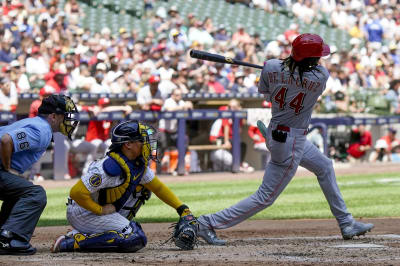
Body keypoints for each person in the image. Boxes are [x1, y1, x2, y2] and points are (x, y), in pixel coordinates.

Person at [197, 33, 374, 245]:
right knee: (265, 197)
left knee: (324, 166)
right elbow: (299, 74)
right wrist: (287, 74)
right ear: (312, 59)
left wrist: (280, 72)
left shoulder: (270, 66)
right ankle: (206, 223)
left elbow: (266, 94)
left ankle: (346, 222)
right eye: (318, 56)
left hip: (277, 132)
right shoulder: (320, 77)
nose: (321, 59)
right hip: (291, 140)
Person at [51, 120, 198, 252]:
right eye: (142, 140)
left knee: (143, 189)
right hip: (82, 212)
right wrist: (100, 210)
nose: (147, 143)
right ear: (128, 144)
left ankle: (86, 233)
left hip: (93, 210)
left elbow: (158, 188)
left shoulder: (137, 164)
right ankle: (73, 242)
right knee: (135, 237)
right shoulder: (109, 168)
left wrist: (182, 209)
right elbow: (76, 192)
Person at [0, 94, 79, 255]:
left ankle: (3, 233)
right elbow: (6, 140)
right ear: (54, 116)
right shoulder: (42, 129)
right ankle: (10, 239)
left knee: (18, 192)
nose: (68, 121)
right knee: (35, 193)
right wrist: (8, 168)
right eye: (65, 116)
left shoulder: (34, 123)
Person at [209, 99, 254, 172]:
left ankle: (240, 164)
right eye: (229, 106)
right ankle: (239, 165)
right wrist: (226, 141)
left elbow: (242, 125)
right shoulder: (224, 109)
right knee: (234, 146)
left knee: (242, 144)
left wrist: (240, 112)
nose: (231, 108)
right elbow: (226, 127)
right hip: (220, 139)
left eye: (233, 107)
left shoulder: (237, 113)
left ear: (238, 107)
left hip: (228, 140)